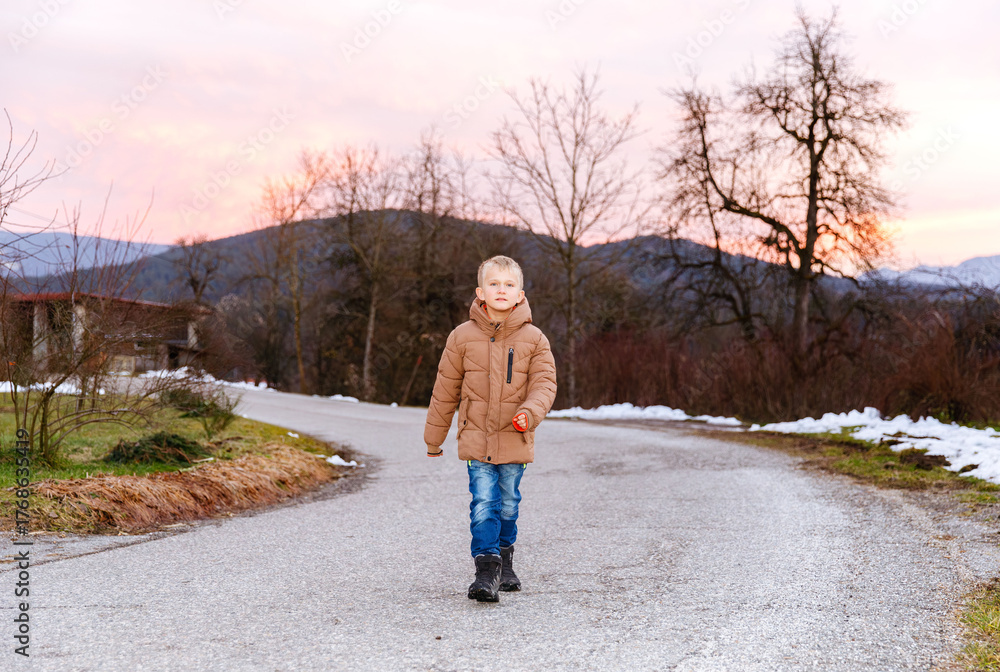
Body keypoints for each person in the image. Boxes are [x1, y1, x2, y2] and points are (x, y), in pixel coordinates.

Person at [424, 255, 558, 602]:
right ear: (480, 292)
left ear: (520, 294)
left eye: (509, 284)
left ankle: (506, 562)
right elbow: (445, 389)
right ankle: (486, 570)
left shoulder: (535, 339)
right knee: (484, 501)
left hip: (515, 437)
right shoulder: (461, 337)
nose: (502, 290)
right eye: (494, 284)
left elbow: (545, 384)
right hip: (476, 437)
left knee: (509, 503)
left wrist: (530, 413)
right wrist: (433, 438)